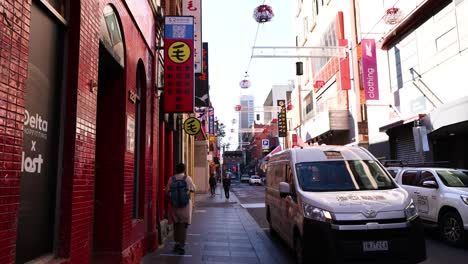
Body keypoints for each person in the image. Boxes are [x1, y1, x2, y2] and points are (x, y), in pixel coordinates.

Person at [166, 163, 196, 255]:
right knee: (183, 225)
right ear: (184, 169)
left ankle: (176, 243)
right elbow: (194, 189)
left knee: (176, 224)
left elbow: (167, 191)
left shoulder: (171, 179)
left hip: (174, 205)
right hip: (185, 206)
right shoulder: (187, 178)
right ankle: (181, 246)